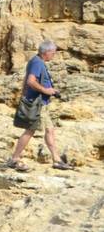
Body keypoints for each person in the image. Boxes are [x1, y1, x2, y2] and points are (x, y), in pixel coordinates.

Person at [7, 41, 75, 171]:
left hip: (41, 103)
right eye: (53, 53)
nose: (54, 55)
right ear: (47, 52)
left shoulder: (36, 61)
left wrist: (50, 90)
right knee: (30, 130)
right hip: (38, 104)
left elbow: (28, 81)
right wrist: (46, 90)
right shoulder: (37, 63)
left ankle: (57, 160)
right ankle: (14, 159)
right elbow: (30, 81)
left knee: (49, 129)